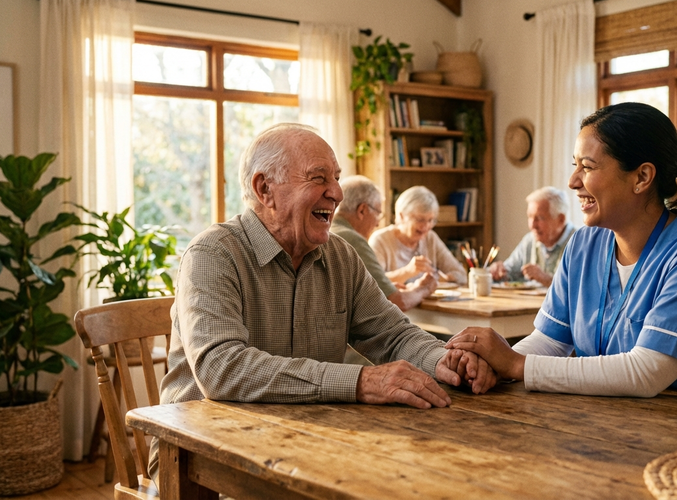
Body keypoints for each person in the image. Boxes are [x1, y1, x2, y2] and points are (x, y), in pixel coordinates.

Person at [148, 124, 493, 482]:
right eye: (318, 178)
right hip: (199, 460)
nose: (337, 193)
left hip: (307, 445)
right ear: (264, 189)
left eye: (337, 178)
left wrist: (446, 361)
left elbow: (392, 335)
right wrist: (360, 382)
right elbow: (222, 370)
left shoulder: (340, 256)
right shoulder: (212, 254)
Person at [446, 102, 677, 401]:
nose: (572, 181)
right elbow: (550, 341)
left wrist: (514, 365)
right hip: (618, 426)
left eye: (587, 167)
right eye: (574, 166)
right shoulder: (584, 245)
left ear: (642, 177)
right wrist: (490, 364)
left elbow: (646, 372)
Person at [332, 175, 437, 311]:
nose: (377, 223)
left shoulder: (329, 230)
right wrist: (424, 288)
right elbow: (395, 303)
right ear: (362, 210)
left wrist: (387, 288)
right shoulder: (353, 240)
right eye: (378, 214)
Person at [369, 185, 467, 285]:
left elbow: (461, 274)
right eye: (420, 220)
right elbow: (373, 282)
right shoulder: (380, 240)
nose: (426, 226)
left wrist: (444, 279)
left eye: (430, 220)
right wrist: (407, 272)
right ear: (401, 216)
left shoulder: (430, 238)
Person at [488, 186, 575, 287]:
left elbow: (579, 288)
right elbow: (508, 272)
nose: (533, 225)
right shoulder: (530, 240)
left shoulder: (580, 242)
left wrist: (545, 278)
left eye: (540, 218)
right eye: (530, 217)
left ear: (561, 219)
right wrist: (498, 272)